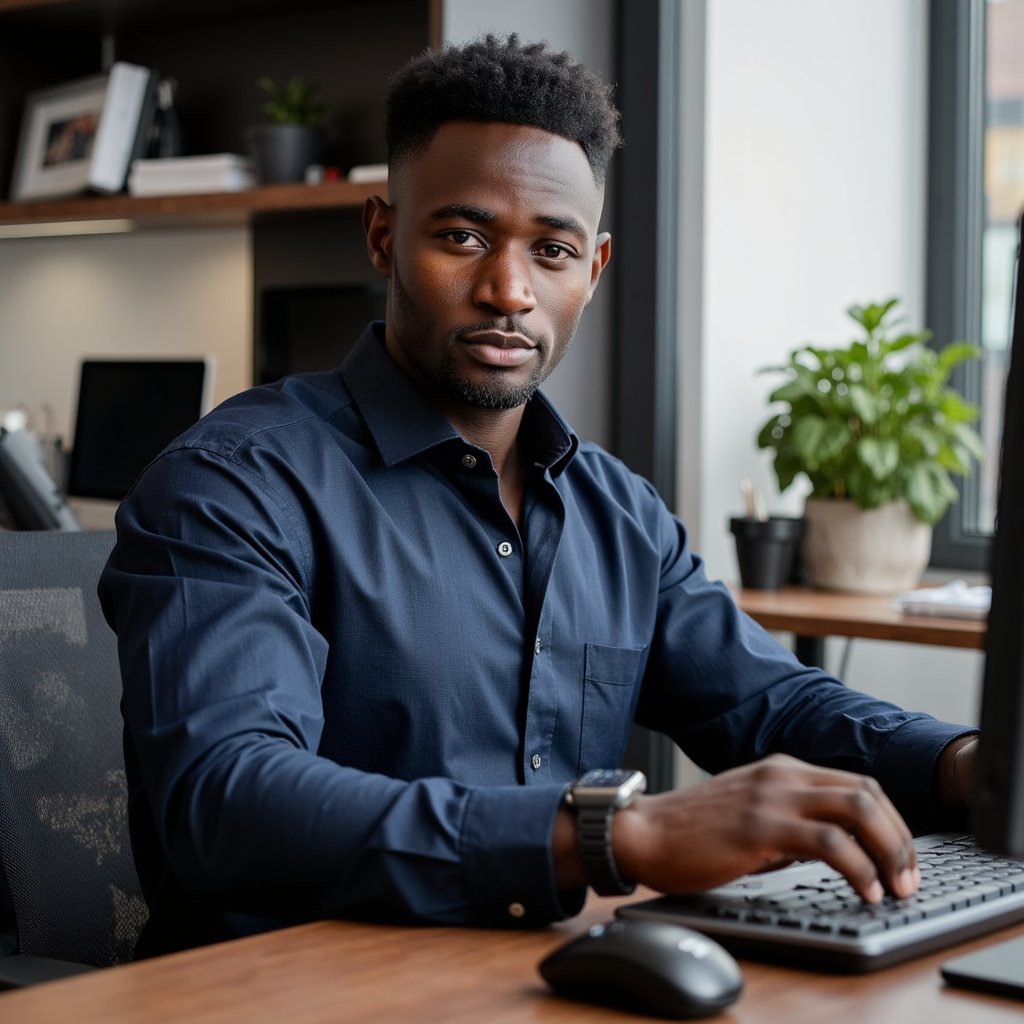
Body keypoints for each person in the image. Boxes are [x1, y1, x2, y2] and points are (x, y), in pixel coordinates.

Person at [99, 34, 978, 958]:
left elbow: (769, 706)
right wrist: (611, 833)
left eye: (551, 250)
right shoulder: (232, 482)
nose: (508, 289)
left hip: (538, 977)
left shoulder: (616, 510)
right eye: (463, 235)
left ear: (591, 272)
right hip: (282, 995)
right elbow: (227, 801)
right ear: (383, 234)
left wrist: (968, 767)